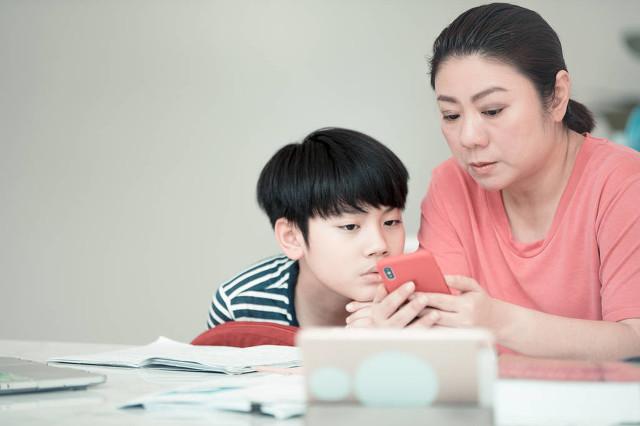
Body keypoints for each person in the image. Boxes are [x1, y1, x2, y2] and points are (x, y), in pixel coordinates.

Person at [346, 3, 640, 360]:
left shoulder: (624, 182)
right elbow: (445, 331)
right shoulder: (451, 185)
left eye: (492, 111)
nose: (469, 137)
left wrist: (499, 322)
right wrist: (398, 327)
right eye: (451, 115)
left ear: (558, 95)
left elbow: (634, 340)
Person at [207, 127, 412, 329]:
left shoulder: (420, 302)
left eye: (391, 222)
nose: (379, 245)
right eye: (350, 226)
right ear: (292, 237)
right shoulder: (242, 306)